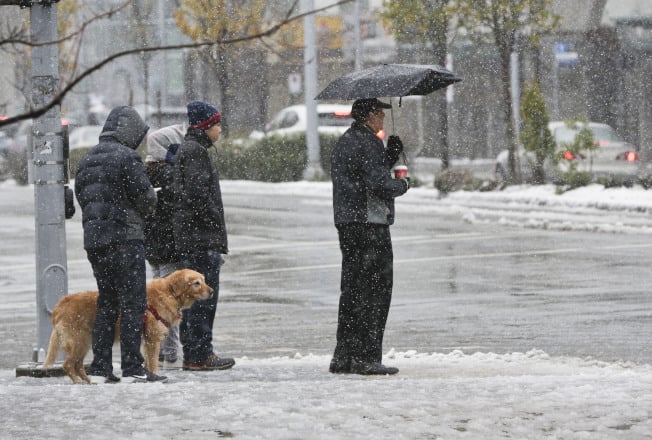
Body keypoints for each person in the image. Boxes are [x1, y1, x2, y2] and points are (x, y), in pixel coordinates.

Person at [74, 105, 168, 383]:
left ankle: (101, 367)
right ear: (129, 132)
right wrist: (152, 197)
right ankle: (132, 368)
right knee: (133, 303)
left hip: (95, 241)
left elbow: (84, 197)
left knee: (107, 302)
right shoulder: (127, 158)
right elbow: (145, 199)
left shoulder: (87, 158)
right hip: (125, 238)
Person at [329, 98, 410, 376]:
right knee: (375, 291)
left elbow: (361, 175)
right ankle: (367, 356)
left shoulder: (346, 141)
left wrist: (388, 156)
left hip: (348, 224)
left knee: (352, 289)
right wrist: (402, 184)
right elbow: (378, 184)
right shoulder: (368, 142)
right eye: (379, 113)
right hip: (370, 225)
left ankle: (344, 356)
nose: (383, 118)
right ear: (369, 115)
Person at [172, 100, 235, 371]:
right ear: (206, 126)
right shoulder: (195, 152)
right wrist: (212, 226)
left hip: (194, 239)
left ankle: (195, 353)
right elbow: (198, 195)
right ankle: (200, 354)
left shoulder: (189, 149)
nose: (220, 129)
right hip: (201, 240)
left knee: (194, 302)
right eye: (217, 124)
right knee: (203, 300)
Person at [144, 124, 186, 364]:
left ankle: (160, 349)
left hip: (153, 245)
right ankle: (169, 351)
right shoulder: (169, 173)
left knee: (158, 299)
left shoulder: (145, 171)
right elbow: (175, 209)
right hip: (169, 245)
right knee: (170, 302)